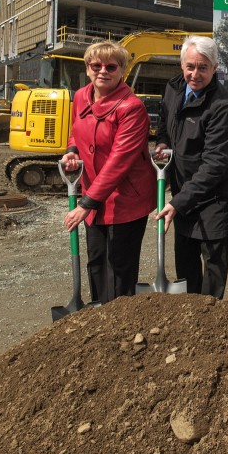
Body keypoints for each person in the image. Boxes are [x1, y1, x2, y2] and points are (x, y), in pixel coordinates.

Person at [61, 40, 156, 304]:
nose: (103, 71)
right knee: (97, 261)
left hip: (125, 199)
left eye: (111, 66)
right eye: (96, 65)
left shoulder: (132, 108)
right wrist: (72, 151)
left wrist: (85, 204)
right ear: (88, 68)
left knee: (119, 267)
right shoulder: (81, 96)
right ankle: (98, 314)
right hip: (94, 193)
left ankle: (119, 322)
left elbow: (119, 161)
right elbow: (75, 130)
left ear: (122, 71)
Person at [154, 35, 228, 299]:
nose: (195, 74)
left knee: (213, 266)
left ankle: (210, 319)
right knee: (185, 262)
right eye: (190, 66)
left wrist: (178, 202)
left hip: (215, 197)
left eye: (203, 68)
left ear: (215, 68)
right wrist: (162, 142)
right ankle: (189, 315)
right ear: (182, 65)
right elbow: (164, 120)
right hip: (183, 193)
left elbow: (214, 164)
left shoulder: (222, 106)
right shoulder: (174, 88)